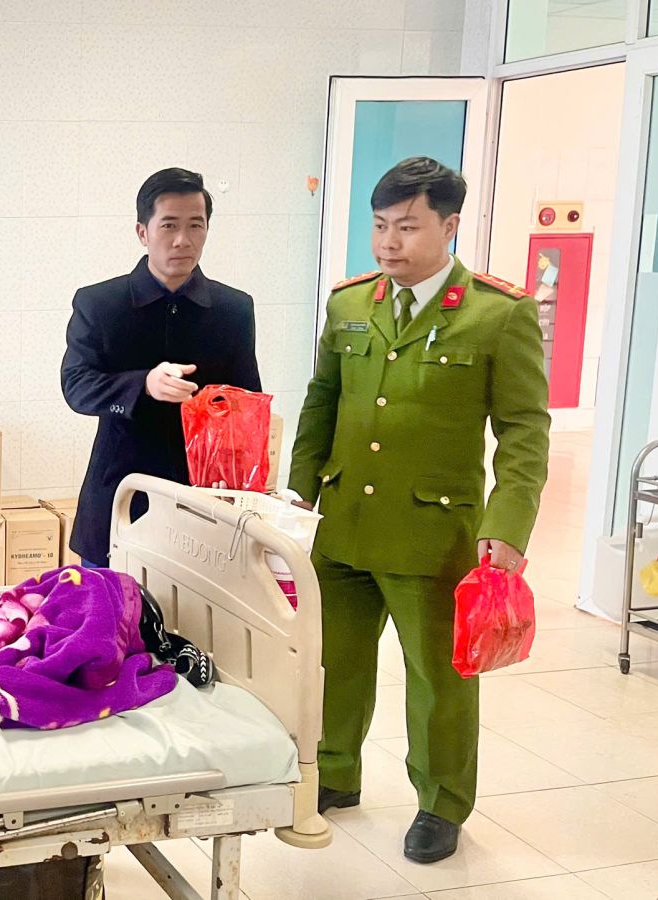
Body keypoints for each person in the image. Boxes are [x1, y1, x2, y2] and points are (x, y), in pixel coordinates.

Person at [288, 157, 551, 864]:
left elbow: (525, 431)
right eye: (379, 226)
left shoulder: (498, 314)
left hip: (433, 532)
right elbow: (322, 401)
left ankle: (440, 802)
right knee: (334, 663)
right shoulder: (351, 304)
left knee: (439, 677)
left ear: (450, 225)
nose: (388, 243)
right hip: (343, 522)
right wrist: (298, 492)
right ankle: (334, 772)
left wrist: (507, 527)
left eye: (406, 227)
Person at [62, 167, 262, 567]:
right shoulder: (100, 304)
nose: (182, 240)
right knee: (110, 604)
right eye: (169, 225)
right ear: (143, 232)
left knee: (195, 607)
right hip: (119, 495)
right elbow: (77, 386)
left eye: (195, 225)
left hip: (203, 503)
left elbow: (247, 401)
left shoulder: (233, 309)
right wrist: (144, 385)